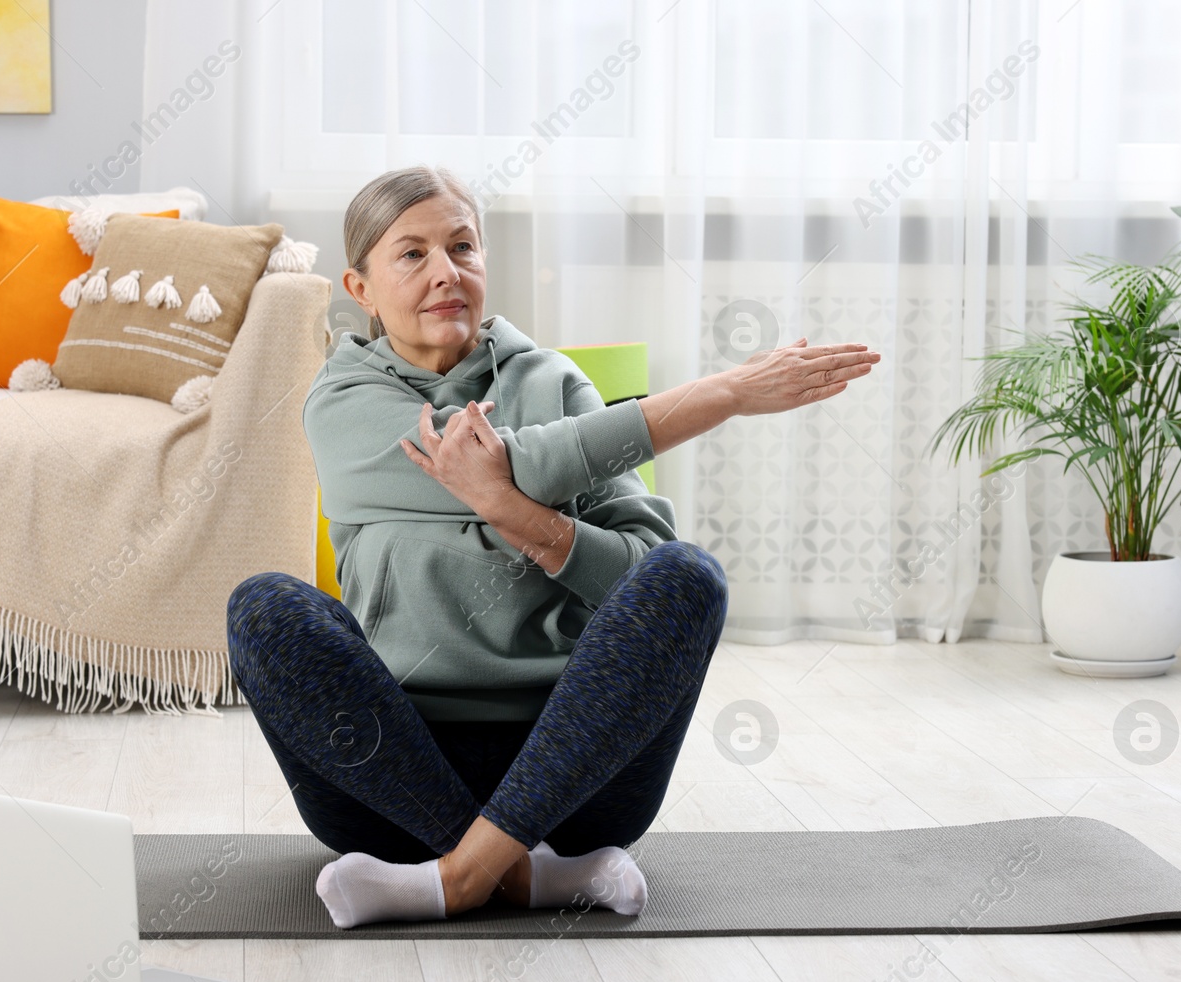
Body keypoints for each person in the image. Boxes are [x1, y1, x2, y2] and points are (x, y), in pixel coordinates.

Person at [227, 164, 880, 929]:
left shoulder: (554, 382)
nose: (446, 273)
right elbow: (500, 460)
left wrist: (519, 516)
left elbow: (641, 570)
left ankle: (458, 876)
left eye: (463, 247)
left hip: (574, 773)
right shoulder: (341, 400)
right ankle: (520, 875)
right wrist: (719, 395)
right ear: (360, 288)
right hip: (391, 779)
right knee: (264, 606)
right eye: (411, 254)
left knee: (689, 574)